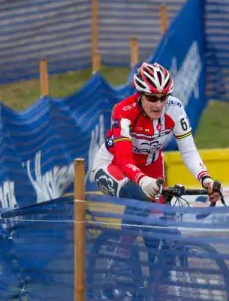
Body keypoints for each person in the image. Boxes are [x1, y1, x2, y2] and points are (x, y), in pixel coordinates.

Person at [91, 61, 221, 204]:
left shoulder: (175, 108)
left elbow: (188, 151)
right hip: (113, 164)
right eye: (152, 98)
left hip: (152, 164)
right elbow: (124, 160)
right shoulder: (123, 111)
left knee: (163, 216)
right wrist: (143, 180)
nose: (158, 105)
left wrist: (205, 178)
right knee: (140, 200)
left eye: (163, 97)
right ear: (140, 94)